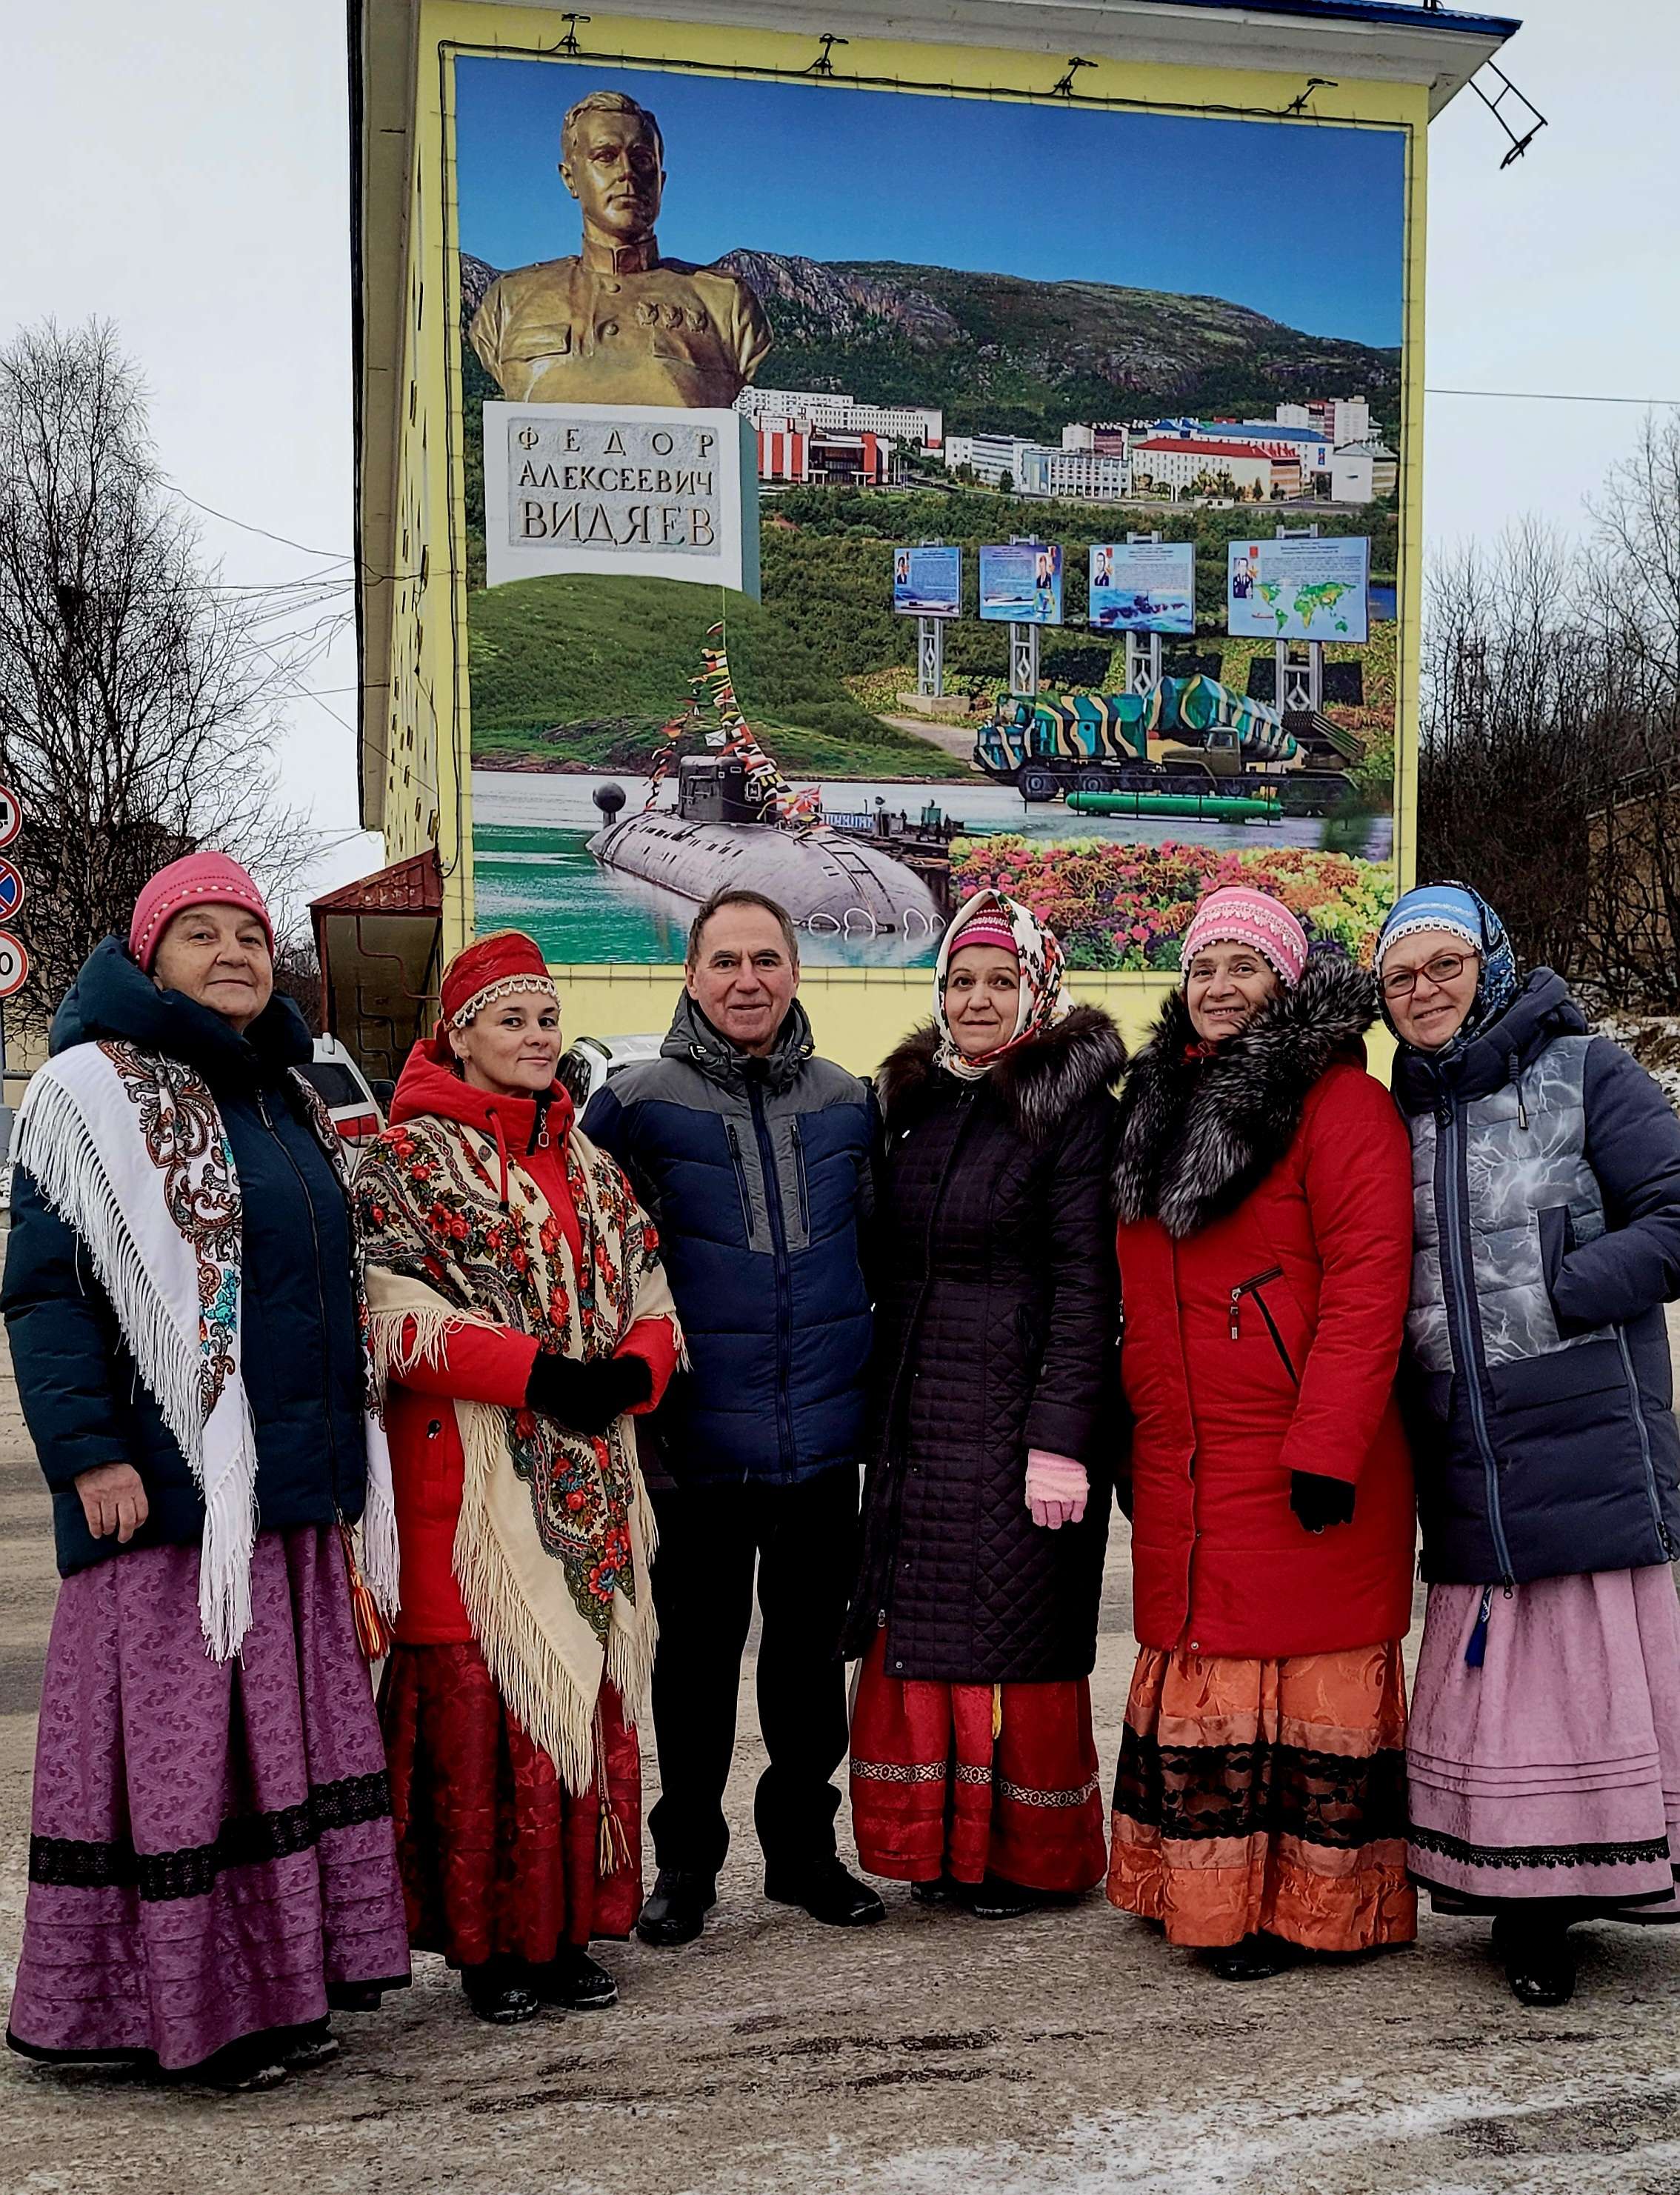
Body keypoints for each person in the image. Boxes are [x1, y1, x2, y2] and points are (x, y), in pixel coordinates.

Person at [3, 853, 407, 2090]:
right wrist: (89, 1456)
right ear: (149, 953)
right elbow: (45, 1290)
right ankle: (177, 2011)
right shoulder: (91, 1092)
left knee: (270, 1753)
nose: (233, 953)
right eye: (202, 934)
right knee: (188, 1759)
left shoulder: (283, 1089)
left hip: (281, 1494)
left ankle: (280, 1988)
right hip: (172, 1494)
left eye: (248, 931)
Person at [356, 933, 682, 2024]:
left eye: (547, 1018)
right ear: (459, 1033)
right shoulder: (407, 1160)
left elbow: (651, 1287)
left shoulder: (590, 1162)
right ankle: (494, 1946)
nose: (537, 1037)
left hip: (591, 1476)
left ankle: (570, 1929)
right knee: (485, 1705)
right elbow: (395, 1316)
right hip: (471, 1487)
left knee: (581, 1696)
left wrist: (637, 1366)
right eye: (512, 1019)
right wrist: (536, 1370)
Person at [1378, 882, 1680, 2007]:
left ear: (1493, 961)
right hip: (1466, 1440)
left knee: (1586, 1670)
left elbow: (1677, 1208)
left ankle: (1588, 1890)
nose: (1423, 992)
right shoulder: (1397, 1108)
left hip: (1588, 1418)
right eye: (1401, 978)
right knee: (1506, 1689)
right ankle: (1528, 1903)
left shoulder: (1587, 1070)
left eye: (1443, 966)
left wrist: (1566, 1285)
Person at [1108, 885, 1417, 1979]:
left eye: (1245, 965)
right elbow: (1141, 1296)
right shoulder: (1153, 1104)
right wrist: (1137, 1431)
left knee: (1297, 1668)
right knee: (1212, 1659)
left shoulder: (1340, 1107)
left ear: (1284, 982)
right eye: (1205, 968)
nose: (1221, 987)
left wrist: (1328, 1445)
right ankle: (1210, 1888)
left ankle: (1301, 1904)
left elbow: (1371, 1281)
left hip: (1299, 1449)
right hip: (1191, 1446)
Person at [581, 887, 884, 1944]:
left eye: (766, 959)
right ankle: (686, 1862)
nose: (747, 980)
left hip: (818, 1448)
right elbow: (594, 1268)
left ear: (796, 970)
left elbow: (881, 1257)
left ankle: (804, 1852)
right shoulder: (634, 1102)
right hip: (694, 1448)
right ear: (692, 973)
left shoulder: (850, 1100)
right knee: (695, 1666)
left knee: (808, 1667)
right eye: (726, 961)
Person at [844, 893, 1124, 1914]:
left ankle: (1022, 1852)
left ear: (1036, 987)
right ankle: (936, 1848)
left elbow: (1090, 1285)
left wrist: (1061, 1438)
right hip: (921, 1420)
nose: (976, 998)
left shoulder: (1072, 1110)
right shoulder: (914, 1103)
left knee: (1011, 1632)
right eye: (962, 978)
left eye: (1000, 980)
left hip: (1014, 1424)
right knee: (917, 1624)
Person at [469, 88, 772, 408]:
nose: (627, 172)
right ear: (570, 178)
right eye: (605, 157)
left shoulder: (727, 305)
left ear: (661, 182)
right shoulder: (509, 302)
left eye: (642, 159)